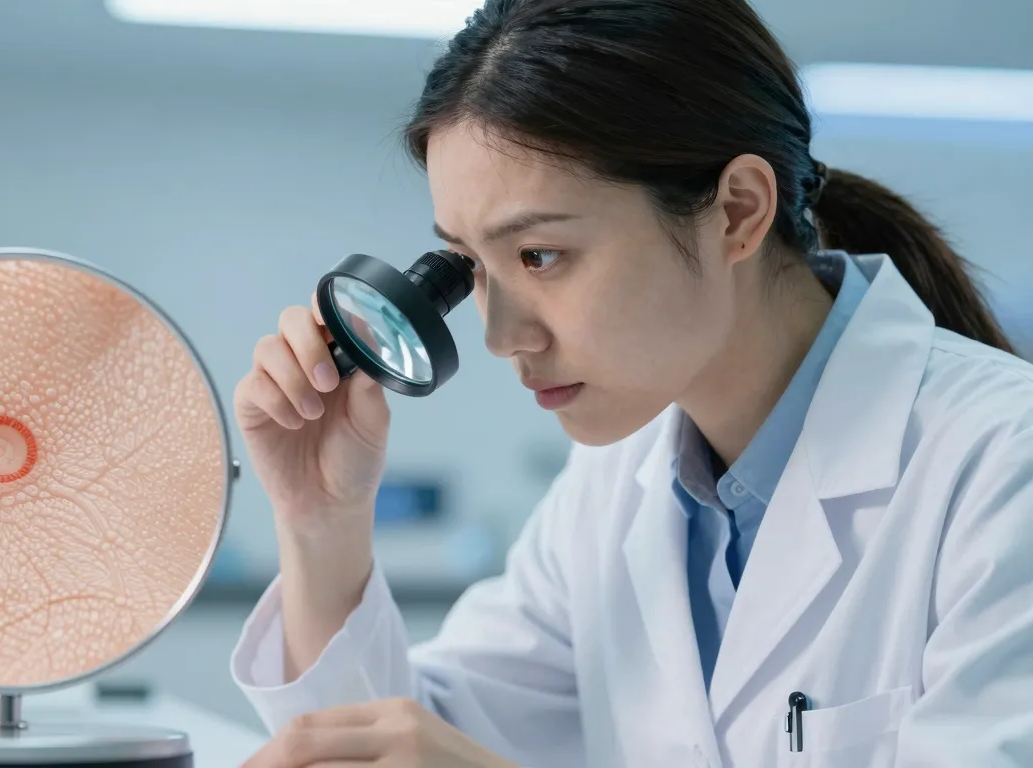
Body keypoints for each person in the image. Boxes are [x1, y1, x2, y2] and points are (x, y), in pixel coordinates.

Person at [228, 0, 1033, 765]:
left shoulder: (1002, 467)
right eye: (470, 267)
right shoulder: (614, 489)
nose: (502, 336)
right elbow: (388, 743)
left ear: (739, 212)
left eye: (540, 255)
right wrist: (322, 523)